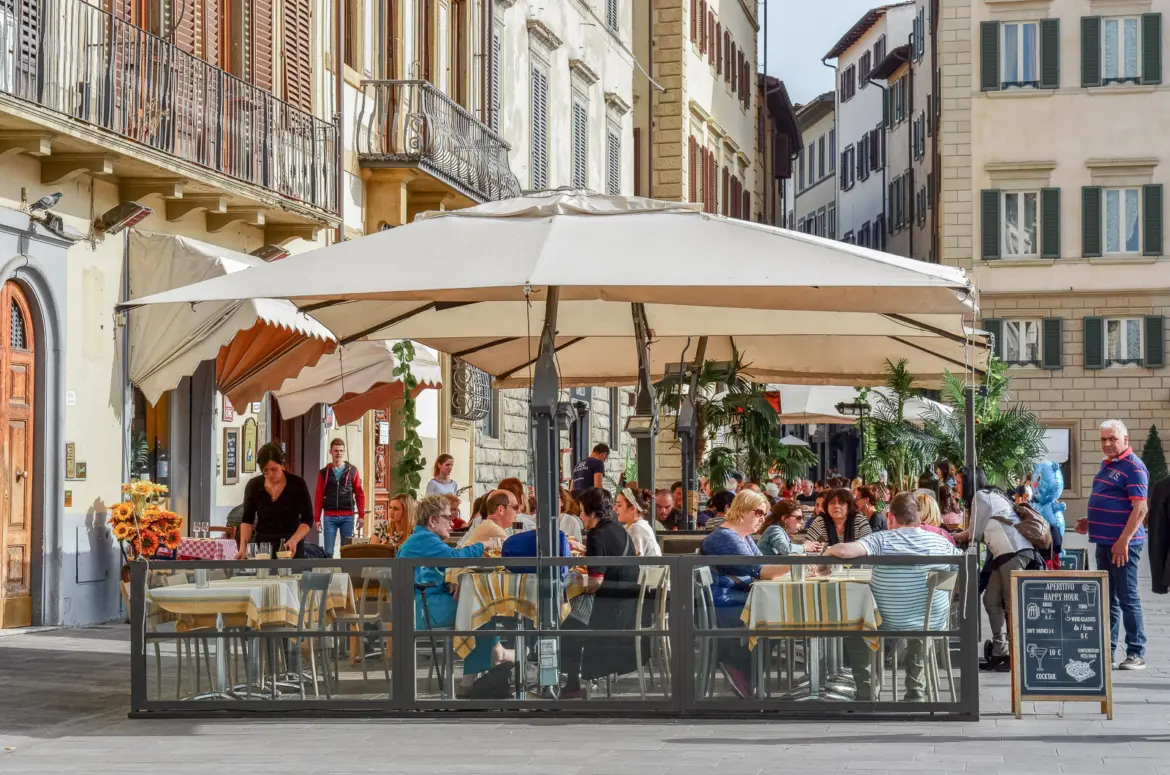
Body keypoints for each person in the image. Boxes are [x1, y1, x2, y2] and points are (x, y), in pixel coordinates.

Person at [826, 493, 962, 701]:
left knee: (856, 626)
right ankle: (916, 690)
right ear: (918, 517)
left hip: (887, 620)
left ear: (891, 517)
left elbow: (845, 550)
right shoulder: (941, 542)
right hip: (932, 621)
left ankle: (867, 691)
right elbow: (957, 571)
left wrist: (828, 551)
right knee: (920, 626)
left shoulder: (881, 539)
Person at [397, 495, 508, 681]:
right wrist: (484, 544)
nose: (453, 523)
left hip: (418, 605)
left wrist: (451, 579)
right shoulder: (425, 539)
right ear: (432, 520)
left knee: (479, 607)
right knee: (482, 609)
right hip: (422, 610)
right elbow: (454, 557)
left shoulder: (421, 538)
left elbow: (442, 566)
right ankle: (478, 674)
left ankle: (487, 664)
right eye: (448, 518)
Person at [700, 490, 790, 698]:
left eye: (764, 514)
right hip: (724, 603)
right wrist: (798, 564)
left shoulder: (742, 536)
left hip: (735, 597)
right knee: (778, 618)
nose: (762, 518)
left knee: (781, 615)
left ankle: (746, 669)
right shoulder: (726, 537)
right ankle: (739, 665)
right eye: (758, 512)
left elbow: (763, 567)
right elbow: (760, 570)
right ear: (743, 509)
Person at [1075, 419, 1149, 670]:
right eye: (1104, 439)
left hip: (1122, 546)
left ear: (1125, 440)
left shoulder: (1134, 467)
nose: (1107, 443)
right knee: (1107, 599)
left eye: (1113, 439)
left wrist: (1124, 541)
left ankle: (1136, 652)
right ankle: (1108, 650)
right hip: (1104, 542)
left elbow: (1141, 509)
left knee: (1127, 597)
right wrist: (1090, 520)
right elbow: (1112, 501)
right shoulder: (1107, 465)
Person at [953, 468, 1043, 671]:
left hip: (1013, 552)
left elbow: (974, 533)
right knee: (991, 600)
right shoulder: (989, 494)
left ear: (969, 482)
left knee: (1011, 605)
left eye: (959, 482)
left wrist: (950, 536)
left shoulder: (981, 496)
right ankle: (1000, 652)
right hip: (1004, 554)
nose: (956, 487)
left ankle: (1015, 655)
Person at [560, 487, 641, 699]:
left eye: (581, 511)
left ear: (592, 512)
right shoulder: (618, 529)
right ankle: (574, 681)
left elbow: (595, 582)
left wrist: (576, 585)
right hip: (625, 606)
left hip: (608, 610)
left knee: (564, 622)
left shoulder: (597, 534)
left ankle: (572, 685)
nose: (579, 515)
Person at [237, 443, 314, 559]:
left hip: (290, 545)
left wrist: (294, 540)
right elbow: (247, 520)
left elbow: (308, 519)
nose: (270, 475)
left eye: (274, 469)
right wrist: (243, 548)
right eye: (265, 471)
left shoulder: (297, 484)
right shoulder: (254, 485)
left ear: (282, 465)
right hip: (262, 547)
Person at [313, 438, 367, 557]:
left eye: (341, 451)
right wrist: (317, 518)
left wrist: (361, 516)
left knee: (346, 551)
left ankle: (346, 574)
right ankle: (328, 574)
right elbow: (319, 495)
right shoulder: (324, 473)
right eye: (336, 450)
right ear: (330, 452)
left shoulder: (352, 471)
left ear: (344, 452)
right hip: (329, 516)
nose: (339, 453)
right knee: (328, 552)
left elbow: (359, 493)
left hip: (347, 515)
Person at [804, 488, 872, 546]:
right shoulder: (820, 521)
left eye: (842, 503)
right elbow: (807, 544)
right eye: (832, 502)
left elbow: (869, 545)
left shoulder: (859, 519)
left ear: (849, 506)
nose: (836, 506)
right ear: (827, 506)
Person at [757, 500, 823, 556]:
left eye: (802, 518)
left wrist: (809, 547)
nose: (802, 522)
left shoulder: (779, 531)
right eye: (799, 518)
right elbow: (786, 550)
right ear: (784, 518)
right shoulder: (774, 529)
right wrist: (805, 547)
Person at [615, 487, 661, 557]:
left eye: (619, 505)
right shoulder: (637, 526)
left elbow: (633, 562)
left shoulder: (637, 528)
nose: (614, 508)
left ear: (632, 508)